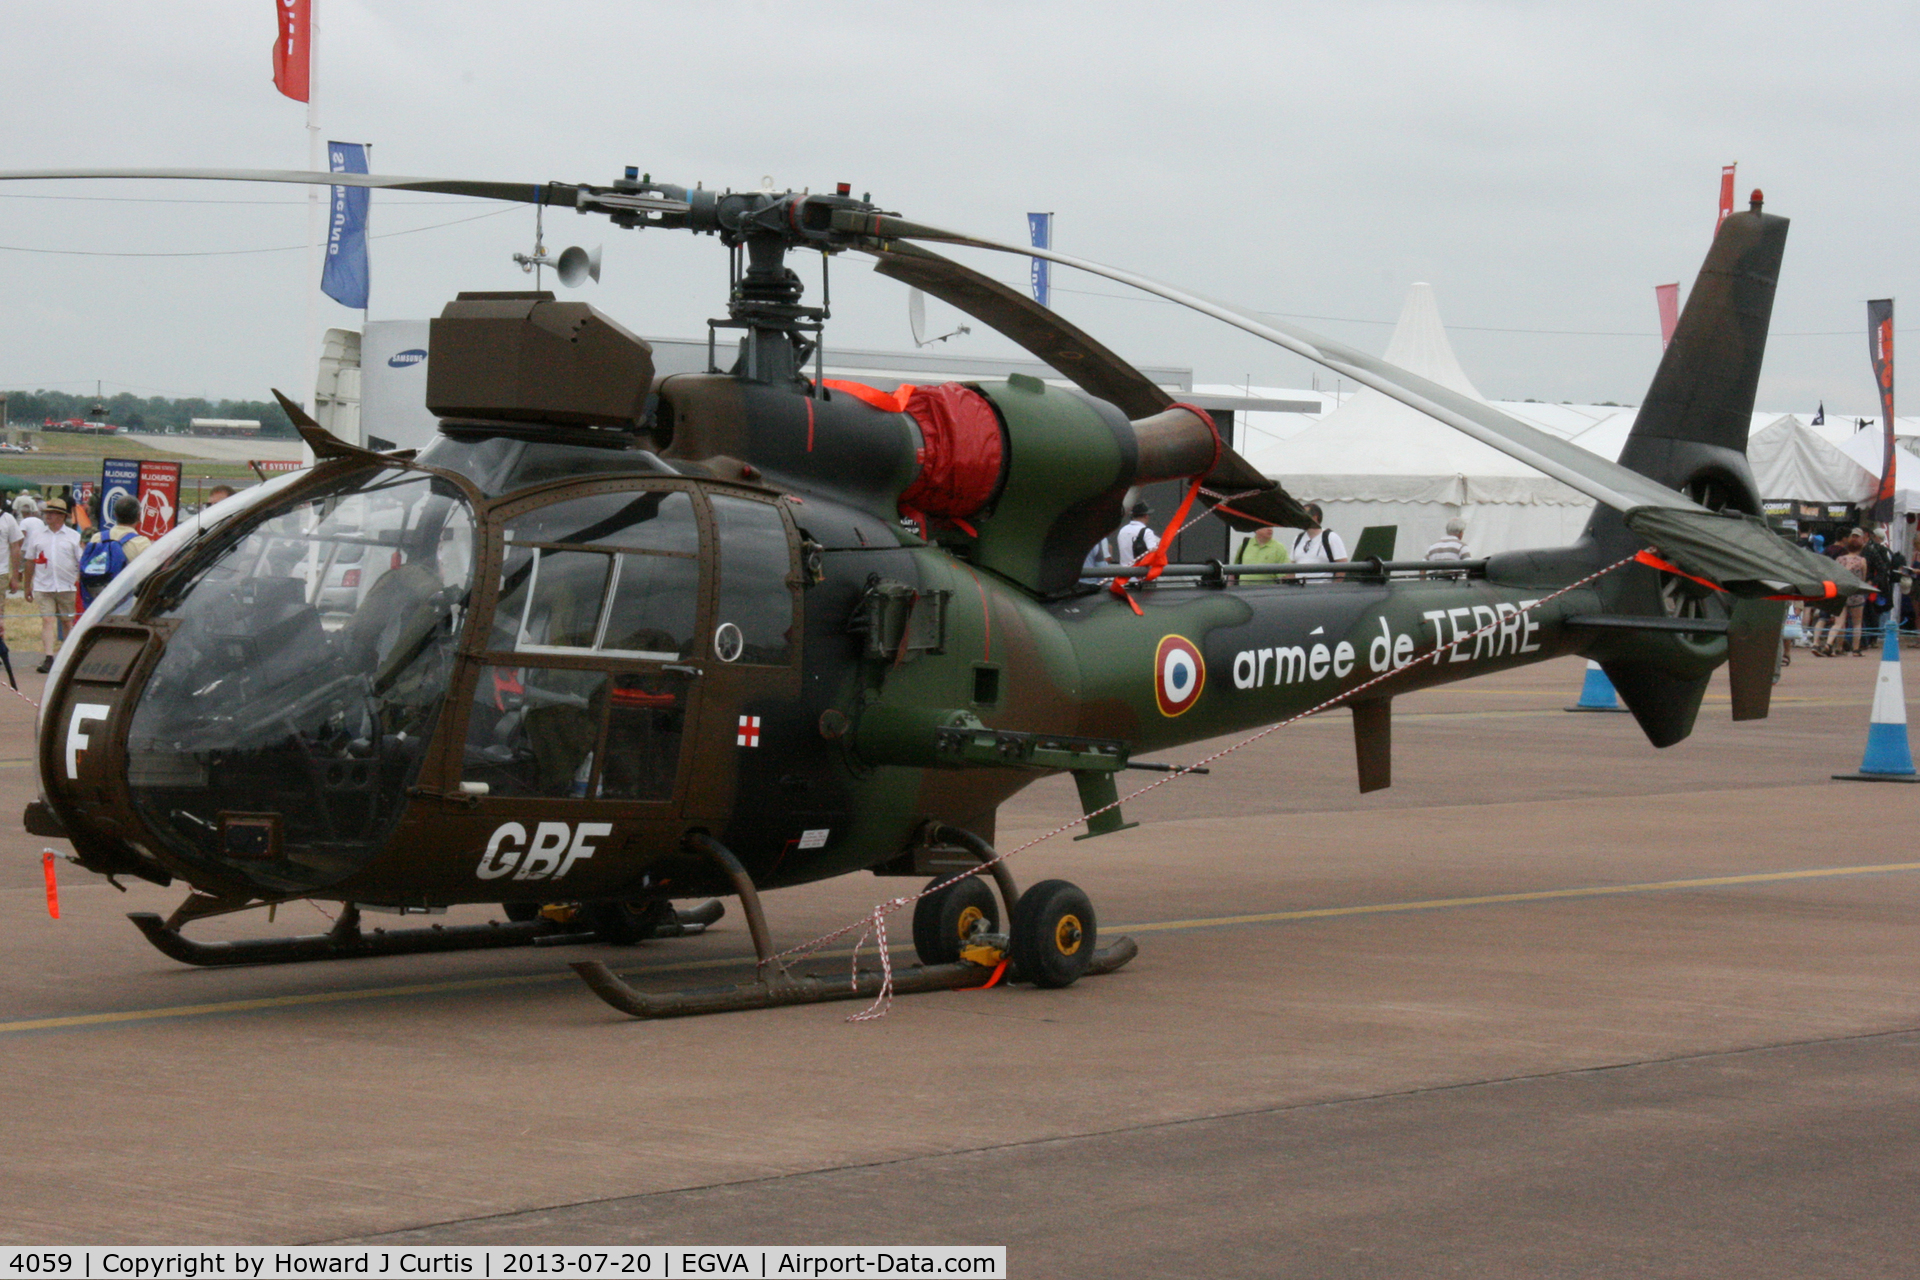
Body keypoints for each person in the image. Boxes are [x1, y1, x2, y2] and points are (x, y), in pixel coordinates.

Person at [23, 497, 81, 673]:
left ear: (62, 516)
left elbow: (81, 562)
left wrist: (77, 581)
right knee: (47, 620)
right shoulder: (37, 536)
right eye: (46, 513)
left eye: (52, 513)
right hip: (43, 585)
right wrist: (27, 585)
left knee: (67, 621)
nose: (47, 516)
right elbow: (30, 561)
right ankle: (49, 657)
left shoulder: (73, 536)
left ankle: (68, 656)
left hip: (67, 586)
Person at [77, 494, 151, 611]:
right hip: (127, 603)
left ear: (115, 515)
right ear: (139, 516)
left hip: (98, 601)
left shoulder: (97, 538)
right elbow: (149, 574)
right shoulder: (141, 543)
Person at [1289, 504, 1347, 583]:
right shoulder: (1298, 539)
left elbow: (1342, 565)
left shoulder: (1331, 537)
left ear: (1315, 517)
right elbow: (1292, 566)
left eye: (1303, 515)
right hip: (1300, 590)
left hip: (1323, 592)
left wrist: (1334, 589)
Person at [1116, 500, 1158, 565]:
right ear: (1146, 516)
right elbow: (1153, 554)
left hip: (1123, 572)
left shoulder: (1122, 530)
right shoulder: (1147, 532)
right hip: (1139, 572)